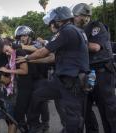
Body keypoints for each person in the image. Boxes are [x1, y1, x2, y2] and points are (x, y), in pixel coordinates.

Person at [17, 6, 90, 133]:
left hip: (72, 81)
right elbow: (52, 58)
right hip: (61, 80)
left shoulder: (67, 31)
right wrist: (29, 60)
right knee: (38, 95)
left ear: (59, 20)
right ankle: (35, 125)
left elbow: (43, 52)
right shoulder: (73, 31)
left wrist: (27, 57)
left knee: (72, 116)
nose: (50, 26)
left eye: (52, 23)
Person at [73, 3, 116, 133]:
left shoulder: (97, 27)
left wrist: (73, 42)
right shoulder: (77, 30)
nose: (74, 18)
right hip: (85, 74)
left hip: (102, 73)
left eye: (76, 16)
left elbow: (95, 47)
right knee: (85, 110)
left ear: (86, 16)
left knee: (108, 110)